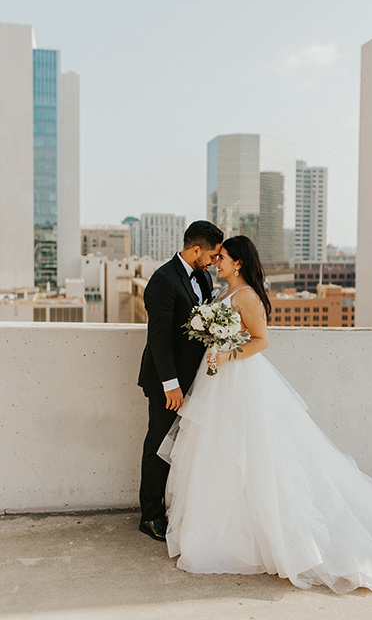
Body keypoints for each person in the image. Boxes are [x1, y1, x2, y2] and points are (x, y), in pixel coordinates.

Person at [158, 235, 372, 616]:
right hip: (218, 380)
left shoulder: (246, 296)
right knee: (219, 453)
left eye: (223, 257)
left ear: (239, 263)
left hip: (239, 380)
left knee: (253, 453)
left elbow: (261, 341)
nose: (217, 262)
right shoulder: (223, 291)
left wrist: (227, 353)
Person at [137, 219, 223, 541]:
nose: (215, 261)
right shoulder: (163, 280)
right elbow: (158, 339)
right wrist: (170, 384)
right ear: (196, 249)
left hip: (195, 379)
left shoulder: (203, 276)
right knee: (158, 445)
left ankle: (177, 507)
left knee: (184, 447)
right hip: (167, 383)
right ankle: (151, 516)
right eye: (212, 255)